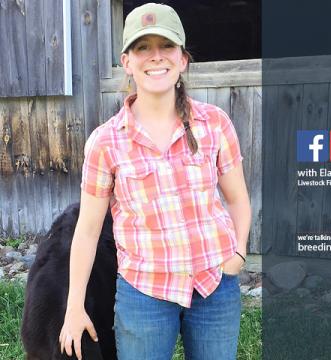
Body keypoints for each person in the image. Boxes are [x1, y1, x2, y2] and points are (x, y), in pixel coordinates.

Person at [59, 3, 251, 360]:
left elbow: (238, 199)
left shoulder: (215, 124)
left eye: (166, 47)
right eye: (143, 47)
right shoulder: (105, 142)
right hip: (144, 294)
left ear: (182, 60)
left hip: (214, 287)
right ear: (127, 62)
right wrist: (74, 307)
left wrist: (238, 254)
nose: (155, 57)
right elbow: (86, 231)